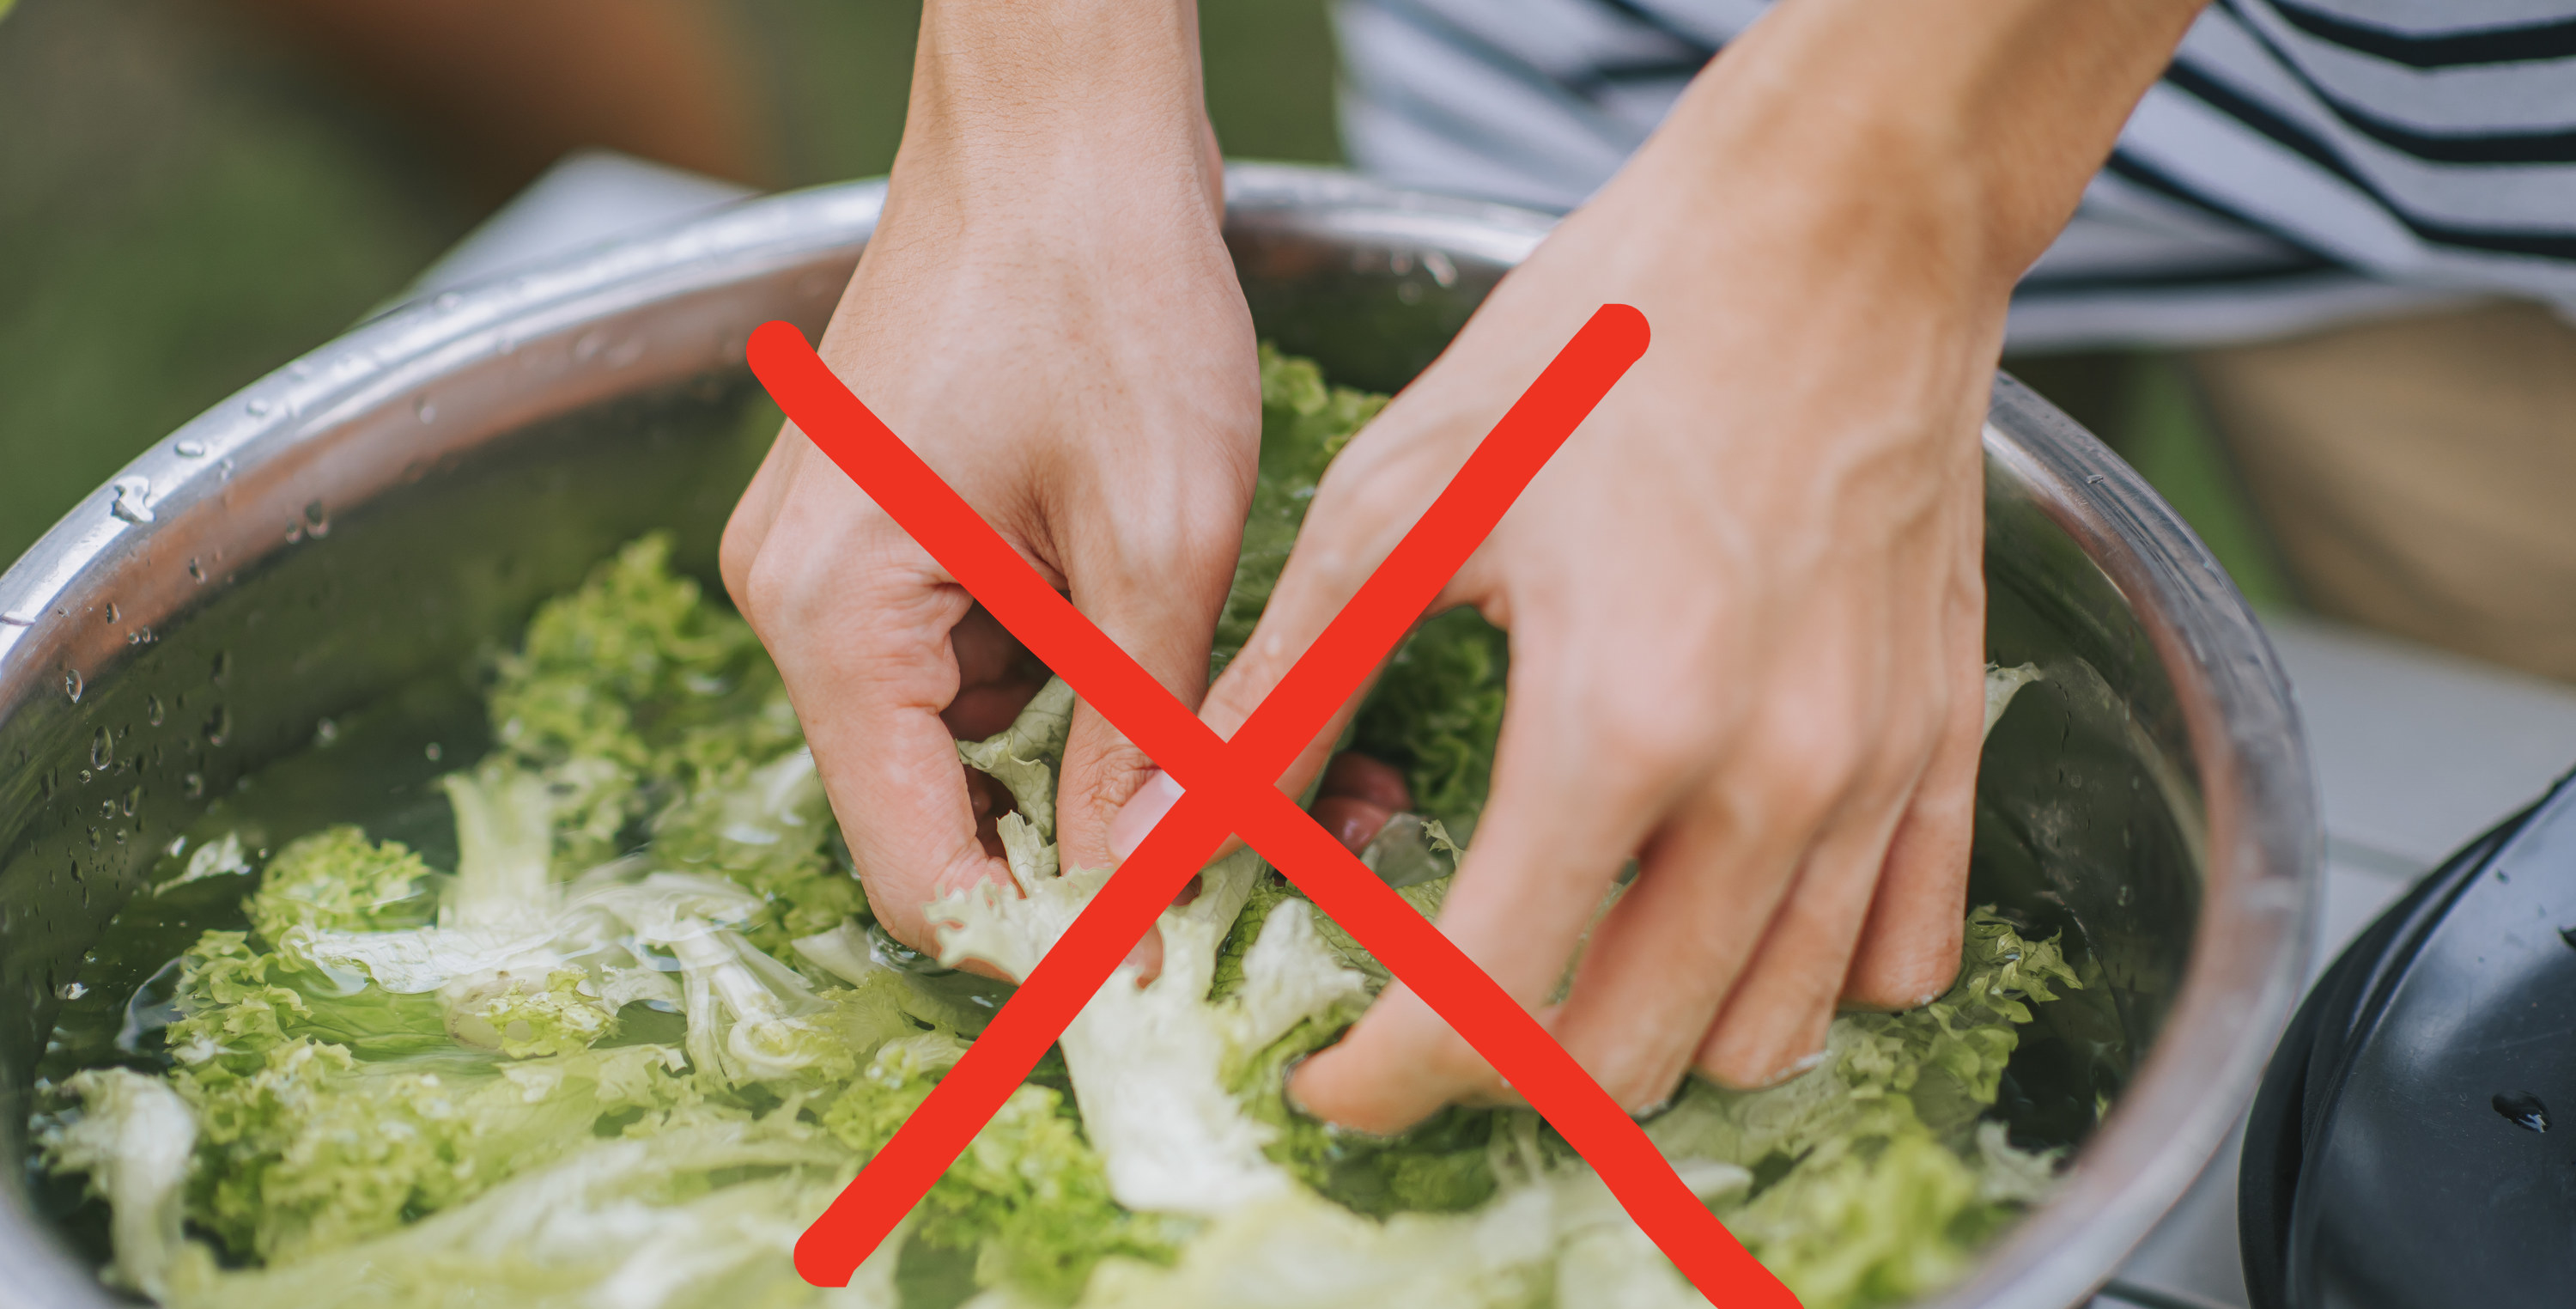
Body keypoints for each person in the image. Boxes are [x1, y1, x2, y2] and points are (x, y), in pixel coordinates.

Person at [719, 0, 2576, 1138]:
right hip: (1601, 54)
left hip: (2415, 148)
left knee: (2490, 903)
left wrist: (1889, 175)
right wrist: (1048, 74)